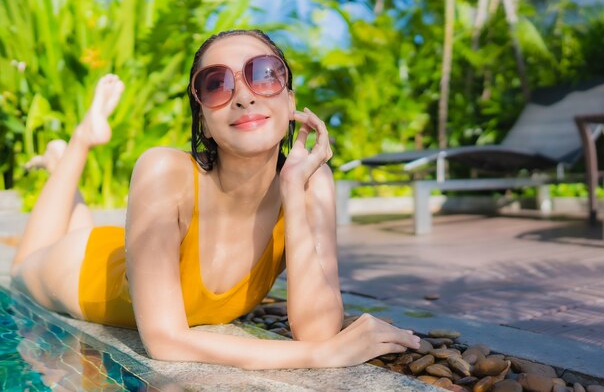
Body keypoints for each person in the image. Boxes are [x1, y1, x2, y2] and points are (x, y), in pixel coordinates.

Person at [10, 29, 420, 369]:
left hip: (139, 252)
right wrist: (318, 357)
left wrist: (293, 192)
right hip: (81, 268)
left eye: (264, 75)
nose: (244, 96)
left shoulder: (312, 182)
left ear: (290, 102)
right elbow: (166, 342)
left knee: (79, 219)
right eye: (217, 84)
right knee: (19, 270)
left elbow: (317, 327)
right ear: (203, 121)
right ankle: (79, 144)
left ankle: (60, 162)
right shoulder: (163, 170)